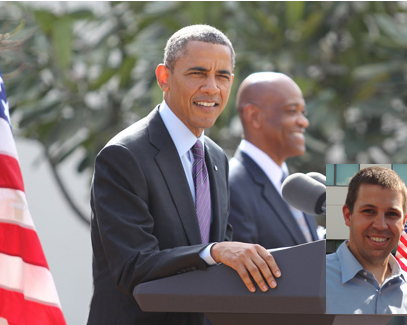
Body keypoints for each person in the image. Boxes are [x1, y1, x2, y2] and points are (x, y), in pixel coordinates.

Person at [87, 25, 281, 325]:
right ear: (164, 78)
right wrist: (213, 252)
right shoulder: (124, 156)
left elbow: (221, 261)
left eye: (223, 76)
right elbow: (133, 266)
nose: (212, 88)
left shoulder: (215, 157)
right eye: (198, 73)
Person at [228, 72, 319, 249]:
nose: (304, 122)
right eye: (292, 111)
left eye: (303, 112)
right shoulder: (231, 187)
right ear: (254, 116)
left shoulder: (298, 185)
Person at [326, 166, 407, 314]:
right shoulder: (313, 278)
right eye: (369, 211)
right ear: (348, 215)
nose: (380, 225)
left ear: (404, 221)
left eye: (392, 214)